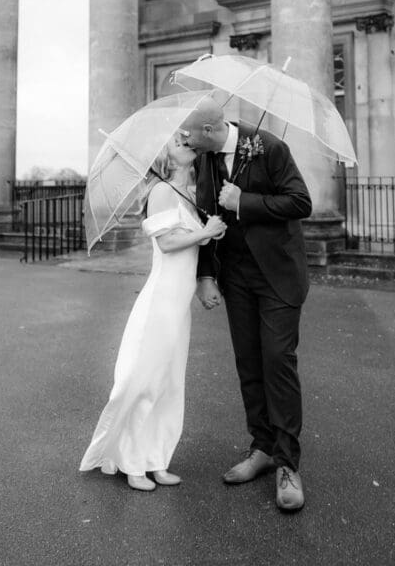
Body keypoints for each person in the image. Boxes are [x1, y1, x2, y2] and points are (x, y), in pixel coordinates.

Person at [180, 96, 312, 512]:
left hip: (277, 275)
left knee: (277, 360)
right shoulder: (205, 158)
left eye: (190, 136)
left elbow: (300, 202)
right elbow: (205, 215)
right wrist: (204, 276)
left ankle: (288, 464)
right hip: (235, 276)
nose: (186, 144)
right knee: (249, 364)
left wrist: (246, 203)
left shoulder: (270, 147)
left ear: (209, 130)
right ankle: (262, 448)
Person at [79, 133, 227, 492]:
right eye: (178, 141)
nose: (187, 142)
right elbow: (167, 242)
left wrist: (210, 232)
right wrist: (204, 232)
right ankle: (131, 464)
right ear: (167, 157)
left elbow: (193, 240)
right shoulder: (161, 191)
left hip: (178, 305)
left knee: (169, 383)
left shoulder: (189, 194)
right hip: (160, 302)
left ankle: (157, 460)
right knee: (144, 380)